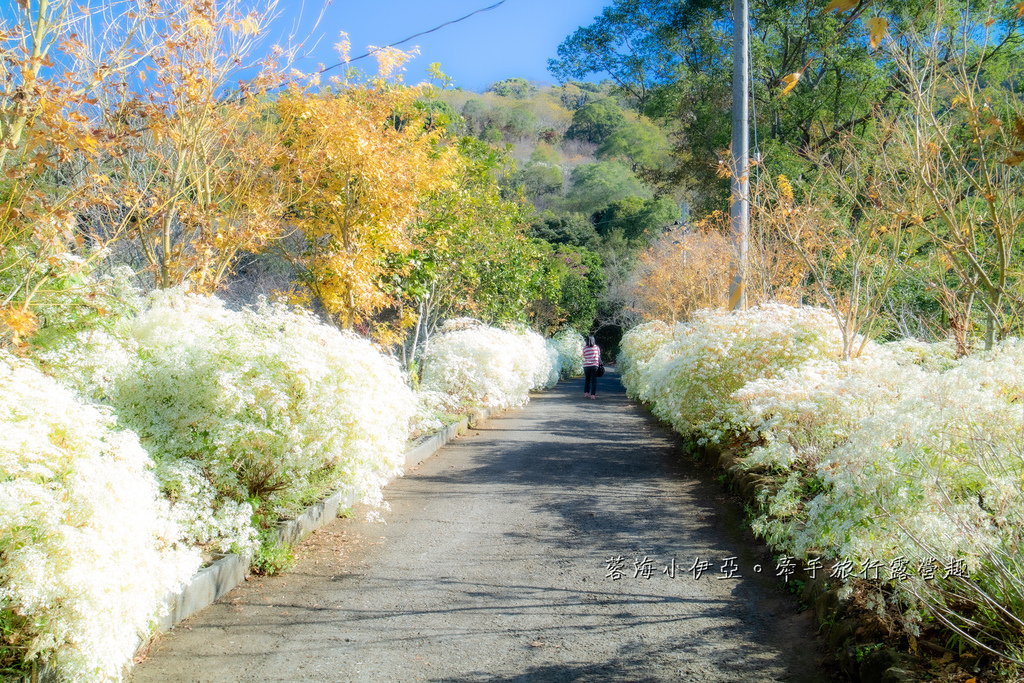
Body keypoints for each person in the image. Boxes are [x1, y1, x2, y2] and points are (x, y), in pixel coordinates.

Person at [582, 334, 601, 399]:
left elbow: (583, 356)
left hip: (586, 366)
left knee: (587, 379)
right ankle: (593, 395)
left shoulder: (585, 348)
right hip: (594, 365)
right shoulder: (596, 347)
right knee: (594, 380)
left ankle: (586, 393)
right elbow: (598, 356)